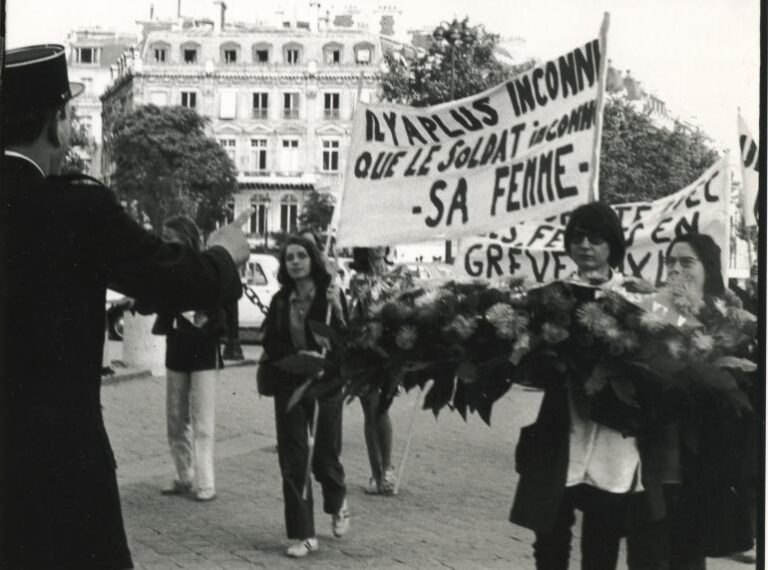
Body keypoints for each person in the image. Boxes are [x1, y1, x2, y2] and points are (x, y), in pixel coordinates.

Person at [1, 44, 250, 569]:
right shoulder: (74, 208)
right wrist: (225, 256)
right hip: (60, 464)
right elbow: (173, 279)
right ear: (57, 124)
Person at [510, 202, 642, 570]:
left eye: (596, 238)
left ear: (612, 244)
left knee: (603, 535)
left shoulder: (634, 297)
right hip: (560, 426)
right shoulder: (549, 295)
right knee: (550, 533)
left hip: (612, 435)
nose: (585, 245)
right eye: (577, 237)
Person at [625, 233, 757, 569]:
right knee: (649, 555)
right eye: (670, 261)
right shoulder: (651, 310)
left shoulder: (729, 318)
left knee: (689, 558)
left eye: (687, 261)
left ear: (708, 268)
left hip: (701, 465)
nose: (676, 269)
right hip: (654, 462)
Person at [262, 235, 350, 558]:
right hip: (290, 383)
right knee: (294, 458)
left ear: (313, 259)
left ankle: (337, 499)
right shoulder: (280, 301)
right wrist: (296, 360)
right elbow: (271, 342)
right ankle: (303, 533)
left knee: (326, 454)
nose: (295, 262)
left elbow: (345, 339)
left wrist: (338, 310)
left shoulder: (330, 297)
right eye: (289, 258)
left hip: (326, 383)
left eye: (301, 256)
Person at [152, 216, 226, 502]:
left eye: (170, 238)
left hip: (205, 348)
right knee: (175, 416)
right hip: (178, 347)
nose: (165, 244)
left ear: (186, 239)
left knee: (203, 419)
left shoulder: (206, 266)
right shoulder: (166, 269)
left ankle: (206, 482)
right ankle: (184, 475)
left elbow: (219, 301)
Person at [348, 246, 412, 495]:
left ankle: (387, 469)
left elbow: (408, 307)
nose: (376, 247)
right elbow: (360, 310)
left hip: (391, 350)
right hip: (366, 349)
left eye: (381, 242)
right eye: (371, 242)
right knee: (370, 409)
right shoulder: (358, 280)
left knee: (382, 409)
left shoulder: (401, 274)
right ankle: (376, 473)